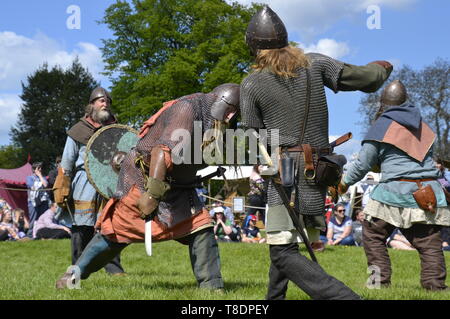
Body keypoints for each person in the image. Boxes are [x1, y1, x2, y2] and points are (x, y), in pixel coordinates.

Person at [240, 6, 392, 300]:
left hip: (284, 172)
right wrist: (381, 69)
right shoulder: (316, 64)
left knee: (283, 251)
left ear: (254, 48)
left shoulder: (252, 84)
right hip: (318, 169)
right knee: (283, 243)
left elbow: (251, 138)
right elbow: (366, 79)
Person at [56, 83, 240, 290]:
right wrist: (152, 195)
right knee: (114, 234)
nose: (231, 117)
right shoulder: (186, 108)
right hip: (142, 183)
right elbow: (162, 152)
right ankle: (71, 277)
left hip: (178, 189)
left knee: (202, 227)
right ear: (223, 105)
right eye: (231, 111)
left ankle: (212, 288)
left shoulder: (210, 120)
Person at [339, 80, 450, 290]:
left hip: (393, 192)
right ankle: (435, 287)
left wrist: (344, 183)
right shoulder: (423, 126)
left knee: (371, 235)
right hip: (427, 192)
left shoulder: (382, 126)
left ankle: (377, 283)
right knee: (429, 245)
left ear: (383, 103)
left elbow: (363, 163)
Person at [59, 87, 125, 275]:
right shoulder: (78, 130)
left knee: (110, 225)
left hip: (109, 182)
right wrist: (63, 186)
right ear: (92, 105)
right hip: (84, 182)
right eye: (101, 100)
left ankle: (114, 269)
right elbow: (67, 161)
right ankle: (77, 269)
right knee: (82, 226)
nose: (105, 104)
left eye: (107, 101)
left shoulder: (114, 128)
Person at [26, 162, 50, 237]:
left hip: (43, 201)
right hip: (33, 202)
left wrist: (40, 176)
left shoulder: (43, 177)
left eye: (41, 168)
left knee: (44, 218)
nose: (40, 169)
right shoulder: (29, 178)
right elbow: (32, 187)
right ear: (34, 169)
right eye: (38, 168)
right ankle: (30, 235)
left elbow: (45, 185)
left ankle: (43, 234)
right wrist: (39, 181)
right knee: (33, 219)